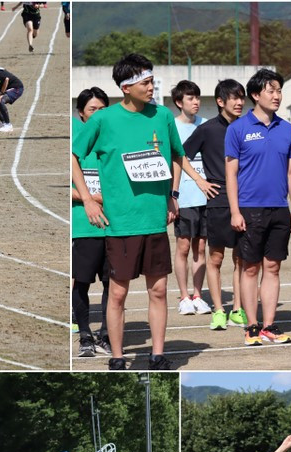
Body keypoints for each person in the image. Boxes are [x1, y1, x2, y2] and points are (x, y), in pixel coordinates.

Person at [71, 52, 208, 371]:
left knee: (159, 290)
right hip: (119, 224)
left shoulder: (161, 116)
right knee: (117, 293)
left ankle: (157, 355)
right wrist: (89, 201)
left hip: (154, 222)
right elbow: (74, 157)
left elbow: (176, 155)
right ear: (126, 86)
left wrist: (178, 192)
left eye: (151, 81)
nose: (151, 87)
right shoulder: (103, 120)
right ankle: (118, 358)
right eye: (146, 82)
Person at [227, 68, 291, 347]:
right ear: (255, 95)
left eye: (279, 90)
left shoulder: (288, 130)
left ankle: (269, 325)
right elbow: (230, 173)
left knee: (273, 267)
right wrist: (235, 211)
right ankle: (252, 326)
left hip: (279, 209)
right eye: (271, 90)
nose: (277, 95)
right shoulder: (238, 129)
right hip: (249, 208)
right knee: (249, 268)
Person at [182, 78, 246, 331]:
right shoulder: (207, 129)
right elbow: (181, 155)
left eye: (242, 97)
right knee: (216, 258)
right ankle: (219, 310)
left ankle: (238, 309)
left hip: (246, 200)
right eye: (234, 97)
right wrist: (200, 181)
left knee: (242, 259)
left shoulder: (248, 127)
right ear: (221, 102)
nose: (240, 102)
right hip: (218, 200)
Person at [71, 87, 110, 358]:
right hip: (84, 223)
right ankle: (85, 335)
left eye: (103, 108)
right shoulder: (75, 141)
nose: (98, 114)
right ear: (81, 114)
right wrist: (90, 197)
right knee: (82, 282)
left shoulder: (115, 139)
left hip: (115, 224)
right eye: (92, 109)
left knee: (113, 282)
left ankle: (107, 333)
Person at [170, 79, 212, 318]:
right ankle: (183, 296)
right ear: (179, 102)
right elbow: (174, 161)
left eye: (197, 97)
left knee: (201, 246)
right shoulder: (172, 127)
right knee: (183, 246)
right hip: (183, 197)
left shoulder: (206, 125)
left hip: (206, 196)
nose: (196, 102)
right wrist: (173, 195)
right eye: (190, 98)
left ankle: (198, 294)